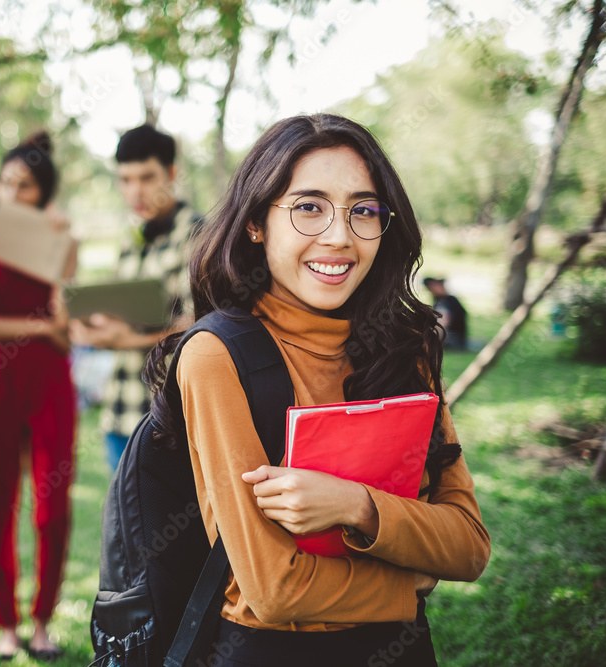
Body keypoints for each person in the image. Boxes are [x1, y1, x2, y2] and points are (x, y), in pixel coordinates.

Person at [143, 114, 491, 665]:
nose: (339, 236)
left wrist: (356, 506)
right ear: (256, 222)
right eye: (308, 207)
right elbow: (274, 589)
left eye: (363, 210)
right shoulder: (218, 356)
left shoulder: (405, 349)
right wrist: (411, 580)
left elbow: (469, 547)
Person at [0, 132, 77, 661]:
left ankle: (43, 620)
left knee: (51, 508)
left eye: (22, 186)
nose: (9, 194)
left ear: (42, 194)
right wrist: (36, 327)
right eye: (4, 183)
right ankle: (3, 622)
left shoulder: (62, 242)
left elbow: (65, 328)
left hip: (50, 378)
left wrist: (56, 254)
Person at [69, 124, 202, 470]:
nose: (135, 191)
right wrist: (93, 324)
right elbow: (126, 310)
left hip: (169, 420)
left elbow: (204, 325)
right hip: (119, 412)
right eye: (125, 180)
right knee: (121, 525)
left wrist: (128, 339)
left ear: (172, 173)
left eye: (146, 177)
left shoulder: (200, 235)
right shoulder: (133, 238)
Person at [423, 277, 468, 350]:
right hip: (454, 338)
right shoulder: (443, 300)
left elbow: (443, 323)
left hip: (453, 340)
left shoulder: (446, 302)